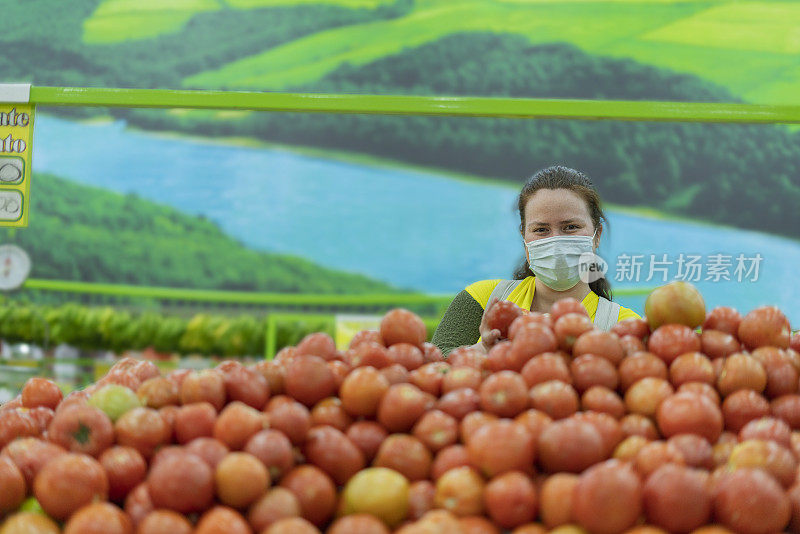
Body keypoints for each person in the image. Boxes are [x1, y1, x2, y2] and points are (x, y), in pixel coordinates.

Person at [432, 165, 640, 356]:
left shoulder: (623, 326)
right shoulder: (485, 300)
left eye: (570, 227)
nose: (555, 241)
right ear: (524, 239)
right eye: (541, 230)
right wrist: (483, 349)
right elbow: (433, 364)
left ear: (597, 235)